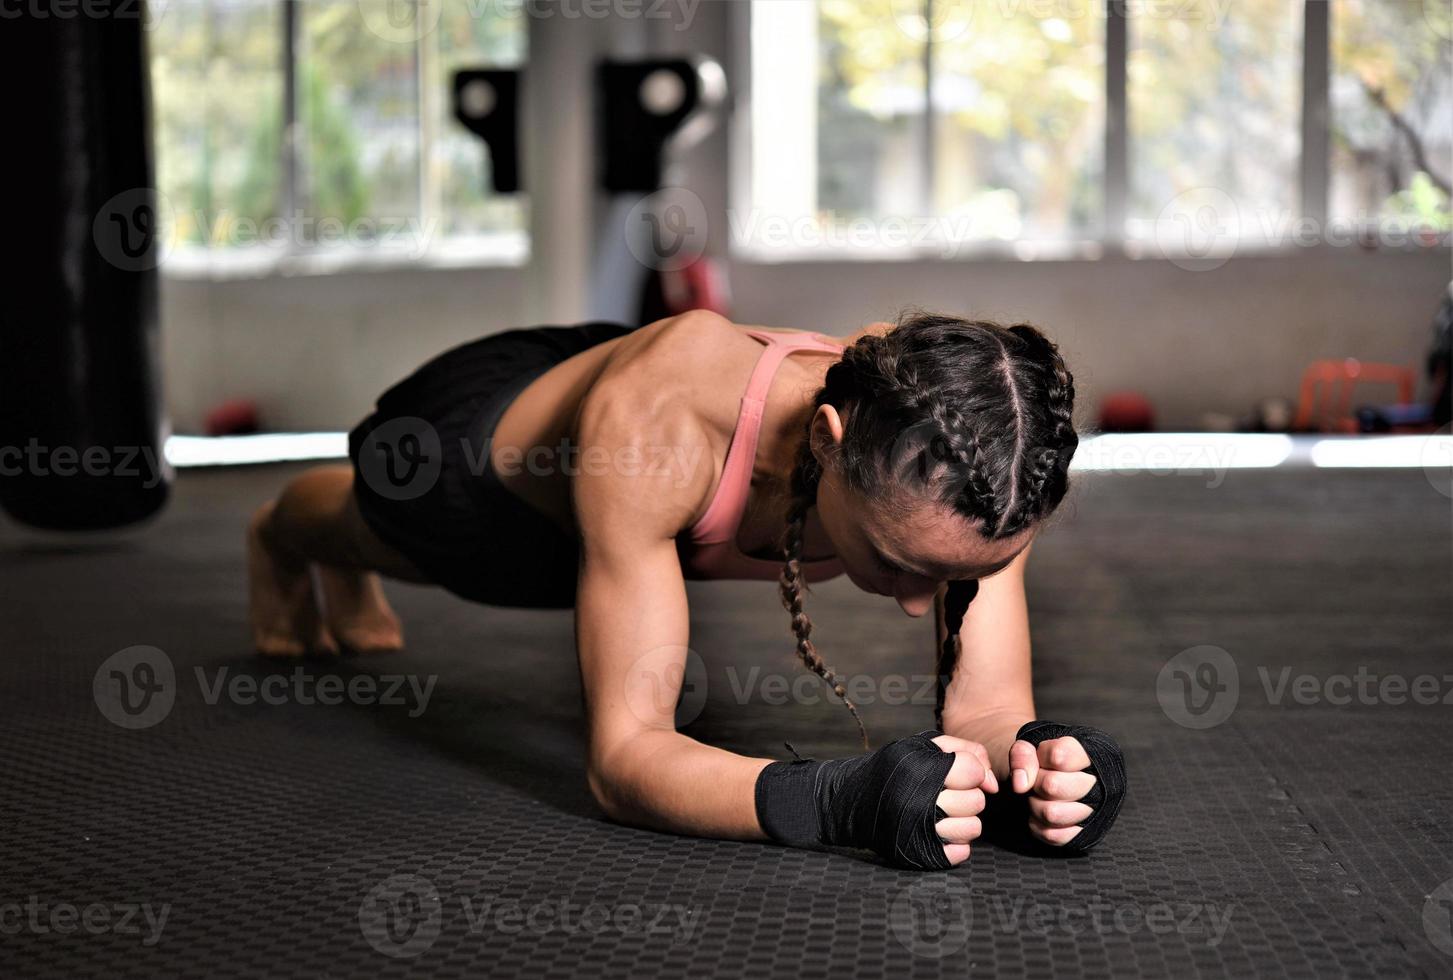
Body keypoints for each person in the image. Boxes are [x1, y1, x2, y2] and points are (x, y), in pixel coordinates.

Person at [247, 310, 1125, 870]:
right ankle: (282, 539)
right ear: (825, 442)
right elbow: (623, 762)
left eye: (947, 578)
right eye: (893, 561)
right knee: (368, 529)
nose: (911, 603)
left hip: (619, 479)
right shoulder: (656, 432)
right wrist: (833, 802)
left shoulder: (977, 476)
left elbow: (984, 711)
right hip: (479, 466)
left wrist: (1043, 766)